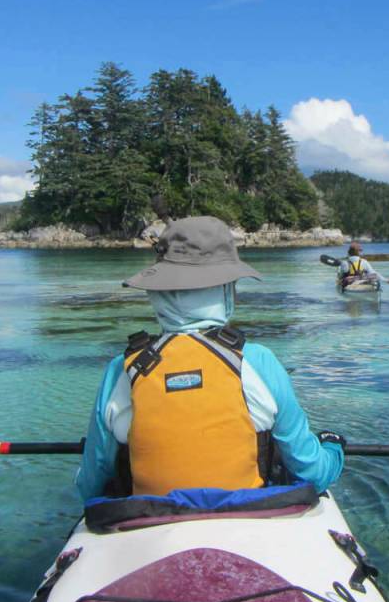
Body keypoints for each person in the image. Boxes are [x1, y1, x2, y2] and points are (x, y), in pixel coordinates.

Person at [75, 215, 346, 502]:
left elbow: (91, 483)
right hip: (244, 522)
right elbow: (312, 472)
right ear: (226, 290)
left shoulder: (124, 368)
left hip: (152, 525)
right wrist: (333, 450)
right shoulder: (257, 361)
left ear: (159, 293)